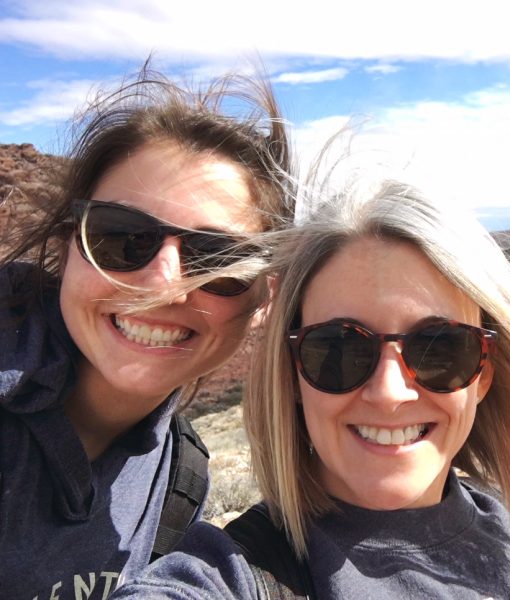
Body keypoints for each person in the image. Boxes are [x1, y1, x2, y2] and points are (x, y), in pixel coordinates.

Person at [112, 178, 510, 599]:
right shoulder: (234, 574)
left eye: (439, 348)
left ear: (484, 373)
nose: (389, 392)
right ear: (293, 374)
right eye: (340, 350)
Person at [0, 64, 292, 599]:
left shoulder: (181, 478)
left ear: (263, 299)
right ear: (67, 249)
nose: (164, 283)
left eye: (218, 259)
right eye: (122, 238)